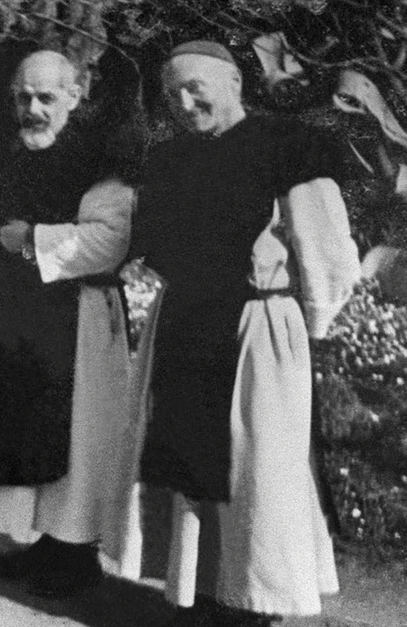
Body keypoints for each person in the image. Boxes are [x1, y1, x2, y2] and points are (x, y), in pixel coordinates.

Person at [131, 41, 361, 626]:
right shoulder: (169, 158)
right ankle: (199, 592)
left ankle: (256, 601)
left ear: (234, 81)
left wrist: (311, 326)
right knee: (189, 464)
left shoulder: (286, 145)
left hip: (257, 326)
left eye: (196, 88)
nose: (184, 104)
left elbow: (327, 248)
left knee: (259, 469)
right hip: (186, 322)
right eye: (172, 95)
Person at [0, 50, 143, 595]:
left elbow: (110, 240)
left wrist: (32, 239)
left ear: (75, 97)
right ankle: (40, 542)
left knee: (79, 436)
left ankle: (74, 552)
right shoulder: (9, 155)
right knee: (25, 424)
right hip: (20, 309)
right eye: (23, 97)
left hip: (80, 313)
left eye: (46, 98)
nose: (32, 109)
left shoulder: (101, 161)